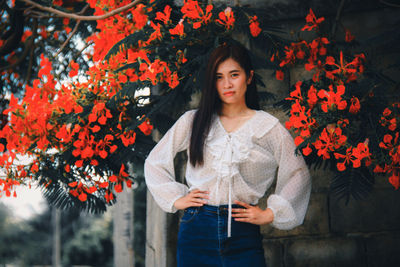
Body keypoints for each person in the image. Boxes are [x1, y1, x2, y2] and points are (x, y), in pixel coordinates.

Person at [144, 43, 311, 267]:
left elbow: (298, 173)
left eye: (234, 75)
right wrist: (178, 198)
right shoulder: (193, 121)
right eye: (219, 77)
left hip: (243, 232)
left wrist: (270, 213)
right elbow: (154, 162)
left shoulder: (268, 128)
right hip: (196, 230)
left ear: (249, 77)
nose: (227, 84)